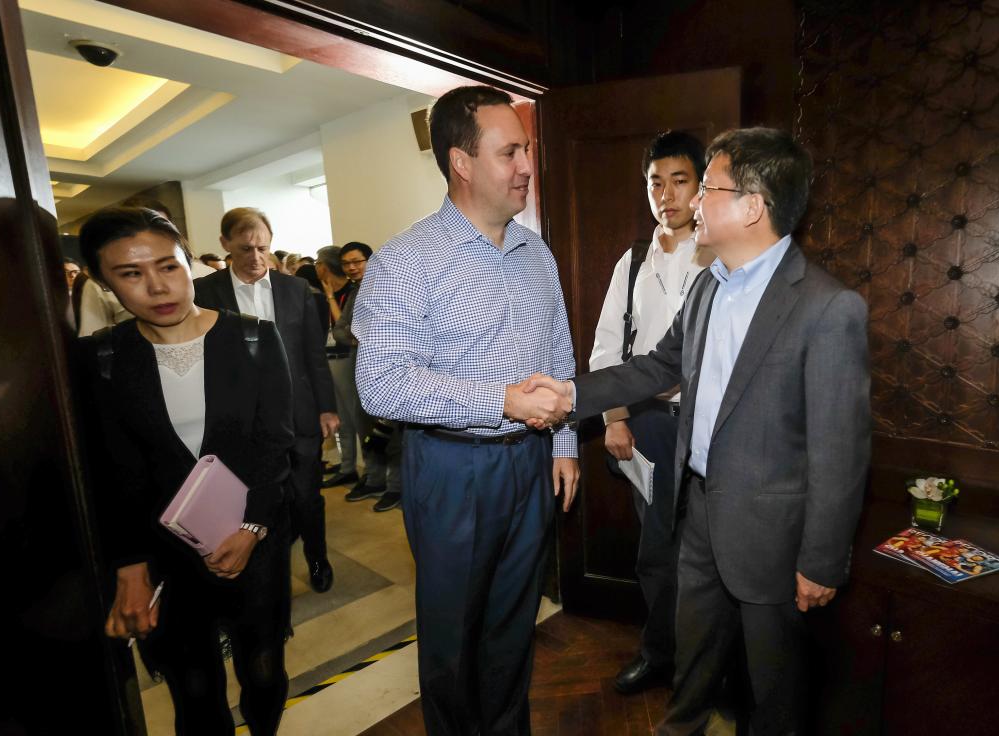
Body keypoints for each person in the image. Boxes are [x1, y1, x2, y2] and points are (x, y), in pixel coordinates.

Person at [525, 127, 871, 735]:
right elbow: (657, 366)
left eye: (708, 187)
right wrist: (573, 396)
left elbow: (841, 453)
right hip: (700, 510)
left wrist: (822, 562)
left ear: (752, 207)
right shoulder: (710, 284)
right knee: (693, 663)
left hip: (772, 537)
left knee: (772, 691)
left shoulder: (827, 309)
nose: (692, 201)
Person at [351, 85, 576, 736]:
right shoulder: (404, 262)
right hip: (451, 472)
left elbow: (558, 351)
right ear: (460, 162)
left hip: (531, 462)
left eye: (526, 149)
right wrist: (498, 400)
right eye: (510, 152)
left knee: (514, 624)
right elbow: (382, 385)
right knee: (453, 640)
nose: (527, 166)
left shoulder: (538, 254)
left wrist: (561, 445)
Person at [77, 206, 294, 735]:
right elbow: (112, 471)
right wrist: (129, 567)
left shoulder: (254, 338)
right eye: (131, 274)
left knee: (264, 671)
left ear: (188, 262)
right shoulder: (101, 357)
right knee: (193, 690)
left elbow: (276, 446)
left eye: (168, 266)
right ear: (103, 283)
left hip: (254, 540)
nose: (157, 286)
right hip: (165, 555)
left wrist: (252, 528)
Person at [589, 130, 714, 694]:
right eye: (655, 183)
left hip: (707, 424)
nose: (666, 194)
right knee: (656, 551)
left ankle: (707, 667)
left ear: (702, 186)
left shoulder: (720, 255)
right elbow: (607, 345)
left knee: (708, 554)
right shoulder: (633, 259)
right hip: (646, 425)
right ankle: (660, 652)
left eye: (679, 181)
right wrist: (614, 418)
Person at [193, 207, 340, 594]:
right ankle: (261, 569)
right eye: (245, 249)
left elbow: (313, 355)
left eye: (263, 248)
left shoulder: (295, 290)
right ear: (225, 245)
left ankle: (317, 556)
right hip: (240, 420)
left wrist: (327, 407)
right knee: (249, 500)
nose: (256, 258)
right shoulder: (204, 293)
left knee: (307, 495)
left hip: (299, 415)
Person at [334, 242, 403, 511]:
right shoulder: (353, 294)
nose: (351, 268)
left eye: (357, 261)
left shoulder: (389, 287)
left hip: (389, 371)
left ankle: (397, 487)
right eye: (346, 263)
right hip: (359, 371)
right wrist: (359, 336)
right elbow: (340, 330)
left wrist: (364, 335)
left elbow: (392, 330)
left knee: (391, 432)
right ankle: (374, 479)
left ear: (370, 260)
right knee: (365, 429)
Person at [313, 246, 359, 489]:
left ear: (325, 266)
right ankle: (346, 466)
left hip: (347, 359)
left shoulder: (351, 292)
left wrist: (330, 297)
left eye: (318, 262)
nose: (316, 267)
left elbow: (344, 327)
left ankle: (361, 470)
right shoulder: (319, 294)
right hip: (327, 359)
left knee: (354, 417)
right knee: (339, 417)